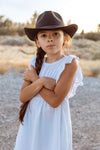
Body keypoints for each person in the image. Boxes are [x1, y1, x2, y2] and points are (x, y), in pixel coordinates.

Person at [14, 11, 83, 150]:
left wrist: (35, 80)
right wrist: (41, 81)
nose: (50, 39)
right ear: (38, 42)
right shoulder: (35, 62)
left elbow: (55, 101)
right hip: (32, 120)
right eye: (44, 35)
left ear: (65, 39)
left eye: (56, 34)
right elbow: (23, 97)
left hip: (53, 122)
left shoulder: (70, 63)